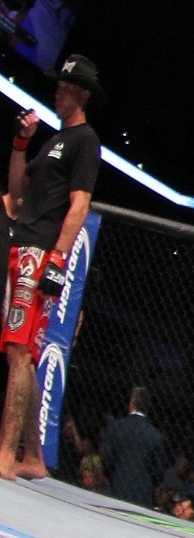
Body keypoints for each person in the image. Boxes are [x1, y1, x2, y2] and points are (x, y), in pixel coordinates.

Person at [0, 55, 103, 479]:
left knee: (19, 351)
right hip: (25, 244)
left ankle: (5, 453)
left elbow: (80, 205)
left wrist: (58, 258)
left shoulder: (85, 141)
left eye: (63, 87)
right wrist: (22, 144)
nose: (56, 92)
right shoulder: (53, 142)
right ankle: (34, 457)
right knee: (23, 353)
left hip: (40, 251)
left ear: (78, 93)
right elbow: (17, 192)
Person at [99, 385, 169, 507]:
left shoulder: (117, 427)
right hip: (143, 494)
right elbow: (159, 471)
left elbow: (107, 459)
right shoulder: (156, 437)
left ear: (132, 402)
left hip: (117, 486)